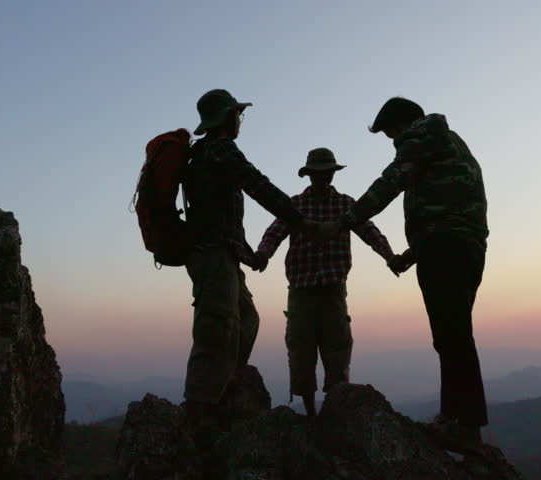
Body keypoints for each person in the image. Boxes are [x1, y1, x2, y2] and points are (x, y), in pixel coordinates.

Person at [330, 97, 490, 454]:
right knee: (452, 333)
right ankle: (456, 419)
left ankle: (467, 429)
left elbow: (391, 181)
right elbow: (449, 205)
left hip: (446, 248)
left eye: (390, 134)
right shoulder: (449, 144)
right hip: (462, 246)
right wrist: (412, 254)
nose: (393, 142)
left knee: (453, 335)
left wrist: (345, 221)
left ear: (403, 124)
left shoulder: (421, 137)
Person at [182, 89, 313, 437]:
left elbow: (218, 211)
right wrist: (297, 218)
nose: (240, 120)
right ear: (227, 117)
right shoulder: (221, 148)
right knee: (217, 329)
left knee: (246, 320)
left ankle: (221, 389)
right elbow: (257, 184)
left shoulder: (203, 153)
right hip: (212, 255)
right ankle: (199, 413)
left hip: (221, 252)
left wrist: (249, 253)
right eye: (237, 114)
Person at [252, 147, 397, 416]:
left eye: (326, 172)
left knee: (338, 349)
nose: (323, 177)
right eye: (318, 173)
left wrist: (389, 256)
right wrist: (263, 254)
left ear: (332, 173)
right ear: (309, 175)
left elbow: (370, 232)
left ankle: (335, 413)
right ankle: (311, 415)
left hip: (332, 290)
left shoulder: (346, 204)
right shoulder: (294, 206)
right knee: (301, 353)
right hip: (301, 289)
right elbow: (273, 233)